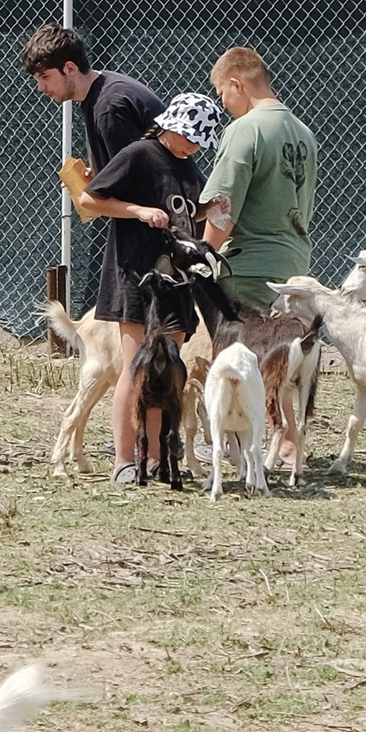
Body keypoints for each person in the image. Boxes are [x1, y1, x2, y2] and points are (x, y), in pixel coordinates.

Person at [75, 90, 230, 485]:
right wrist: (137, 211)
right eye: (191, 137)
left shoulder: (187, 165)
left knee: (168, 370)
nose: (195, 146)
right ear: (172, 127)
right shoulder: (140, 155)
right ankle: (125, 460)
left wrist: (208, 211)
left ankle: (158, 458)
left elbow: (183, 211)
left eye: (201, 142)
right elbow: (90, 199)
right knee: (136, 366)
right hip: (136, 277)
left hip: (177, 283)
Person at [200, 45, 318, 461]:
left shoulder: (245, 131)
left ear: (236, 84)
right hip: (293, 263)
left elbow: (221, 208)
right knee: (284, 360)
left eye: (221, 94)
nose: (223, 104)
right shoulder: (303, 132)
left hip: (246, 265)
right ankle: (288, 440)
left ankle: (250, 443)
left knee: (243, 357)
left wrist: (203, 256)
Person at [22, 20, 160, 325]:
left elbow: (135, 180)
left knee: (136, 343)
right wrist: (95, 173)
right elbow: (126, 164)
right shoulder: (103, 91)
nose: (41, 88)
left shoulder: (109, 105)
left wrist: (96, 194)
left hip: (150, 231)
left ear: (70, 68)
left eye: (45, 77)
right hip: (147, 223)